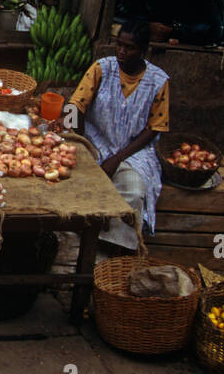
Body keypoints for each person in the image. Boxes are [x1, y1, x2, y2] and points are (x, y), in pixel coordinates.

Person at [70, 19, 170, 251]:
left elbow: (154, 127)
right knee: (81, 185)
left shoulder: (158, 80)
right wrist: (81, 140)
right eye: (119, 45)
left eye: (129, 47)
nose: (122, 52)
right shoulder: (102, 68)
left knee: (133, 191)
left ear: (143, 51)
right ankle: (84, 239)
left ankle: (115, 249)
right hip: (96, 142)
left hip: (134, 151)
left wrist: (117, 159)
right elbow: (76, 105)